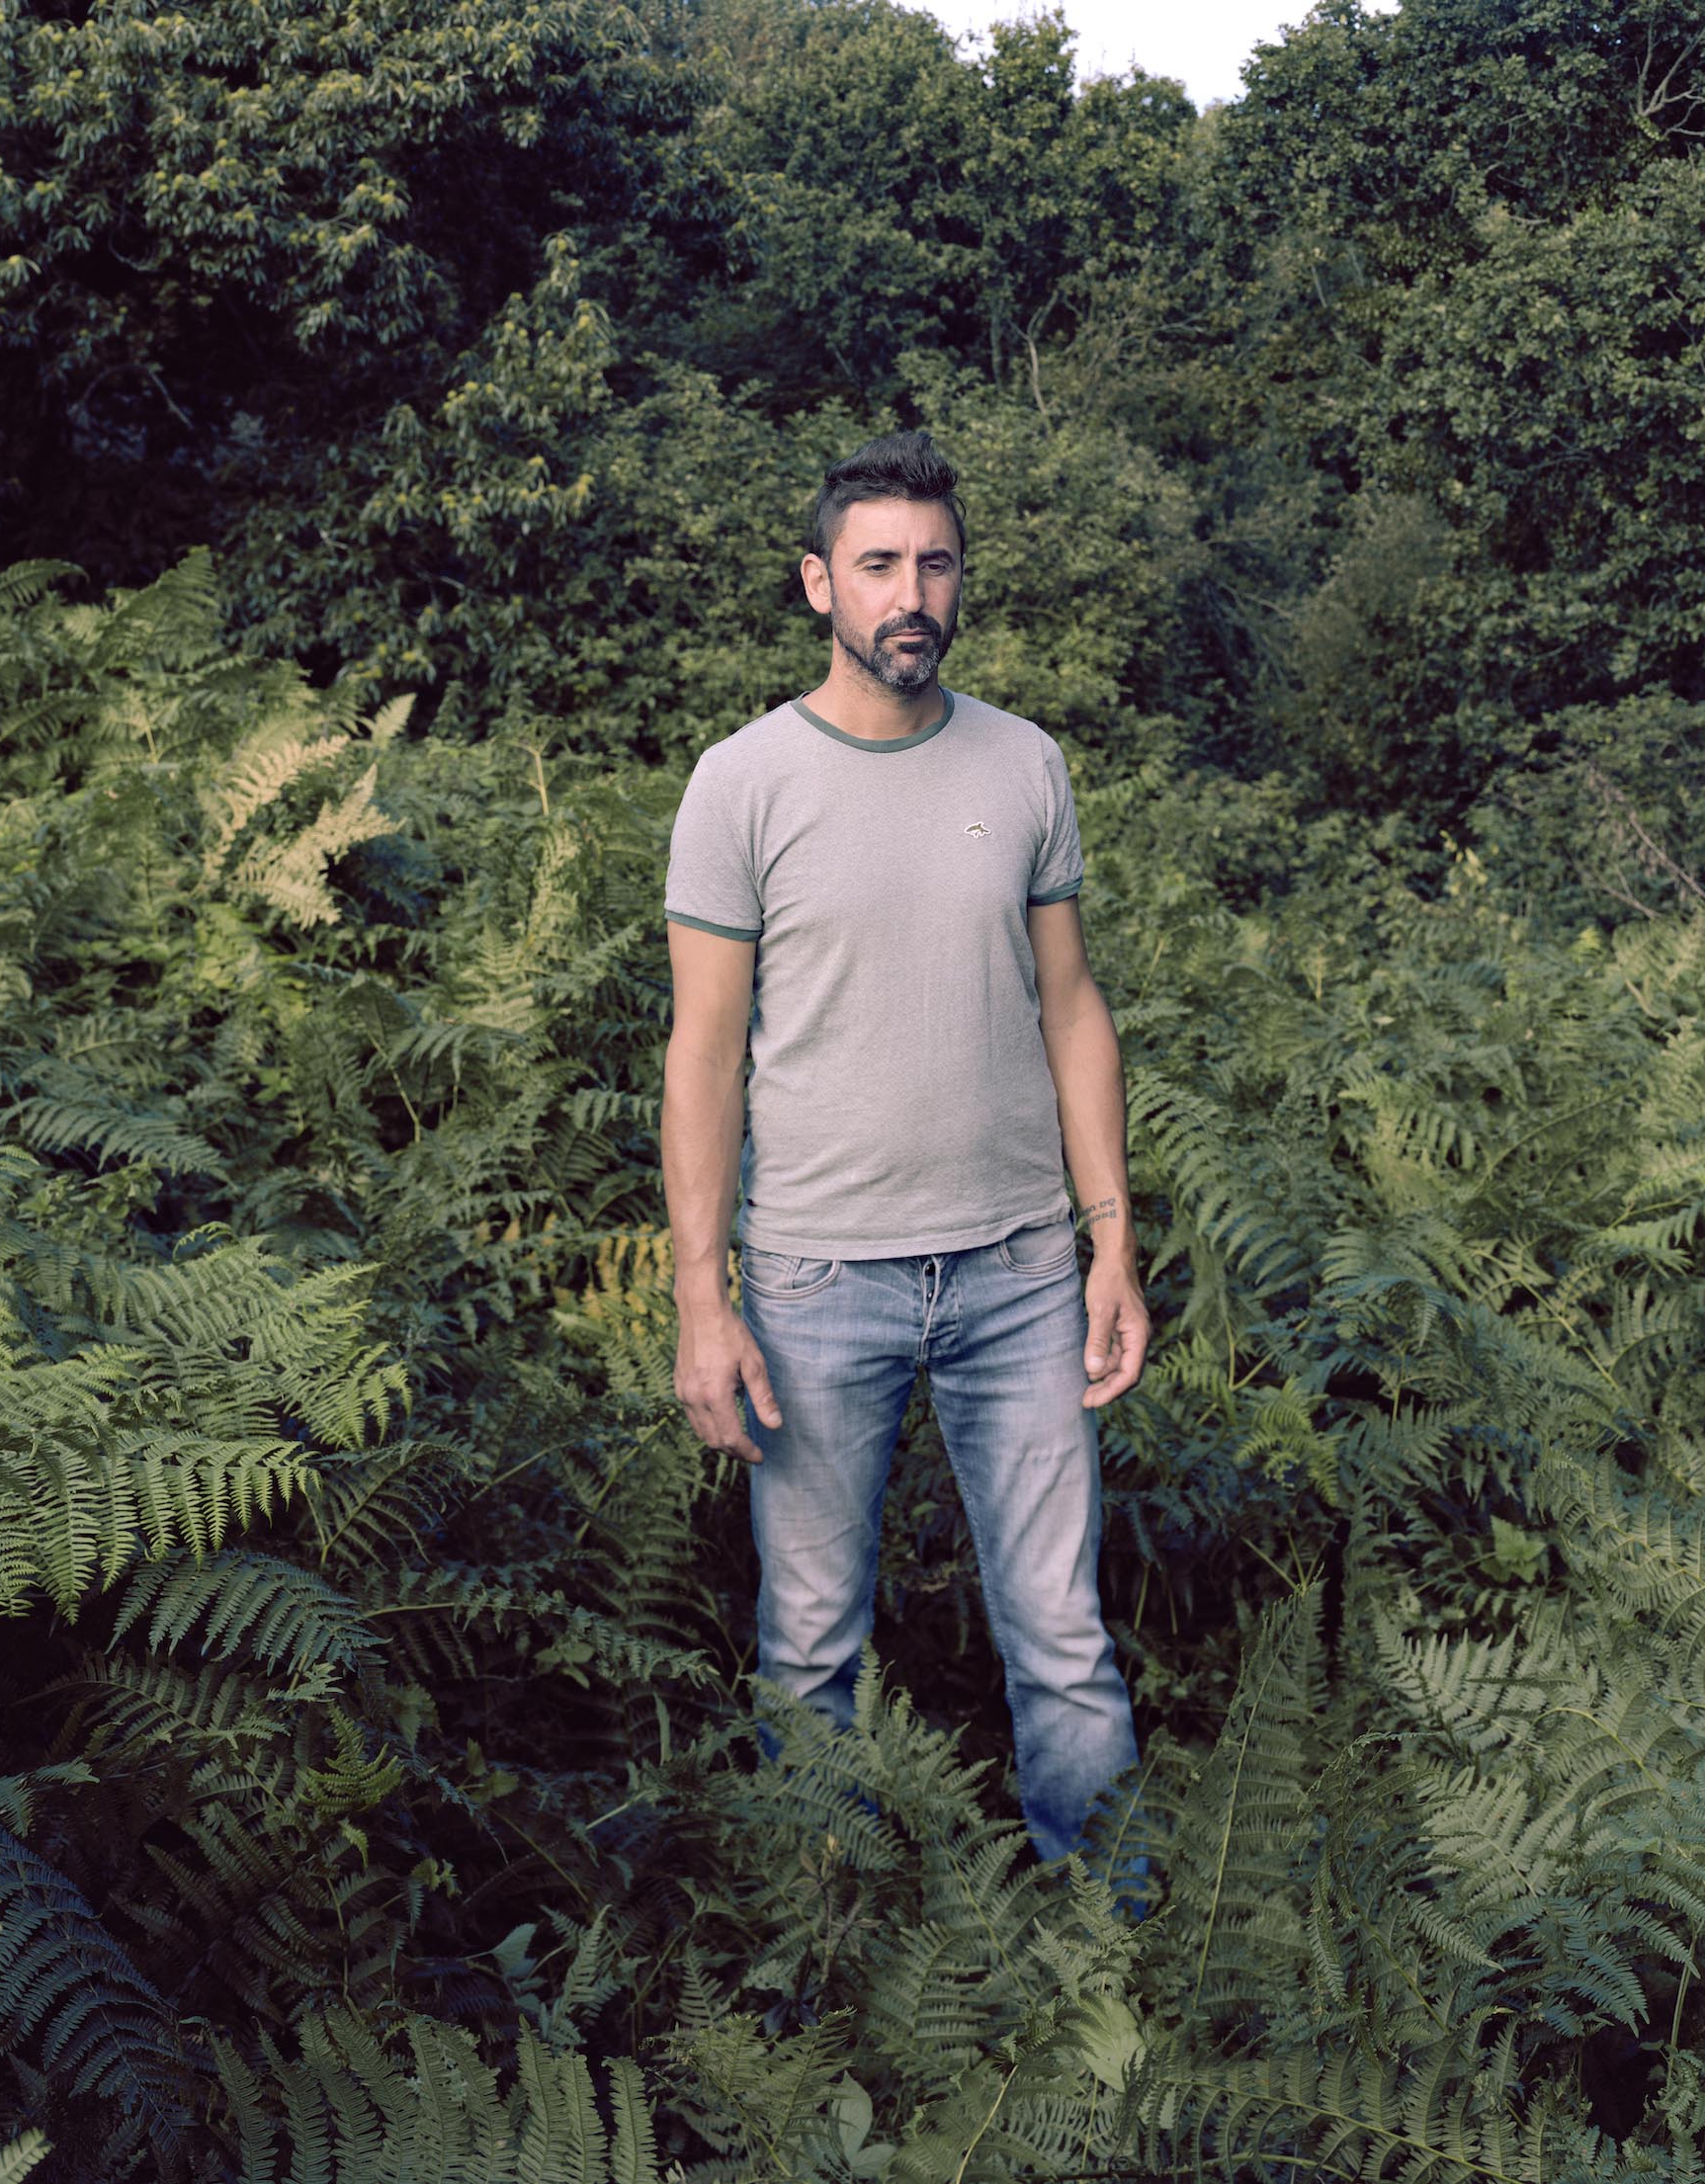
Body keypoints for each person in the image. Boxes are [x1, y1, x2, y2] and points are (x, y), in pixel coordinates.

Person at [659, 429, 1151, 1867]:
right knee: (810, 1642)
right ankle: (820, 1941)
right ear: (820, 583)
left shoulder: (1026, 761)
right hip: (817, 1281)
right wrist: (701, 1298)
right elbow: (702, 1054)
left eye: (935, 563)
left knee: (1062, 1633)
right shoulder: (743, 783)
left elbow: (1074, 1007)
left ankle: (1113, 1950)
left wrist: (1111, 1241)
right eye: (878, 564)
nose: (911, 593)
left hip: (1021, 1271)